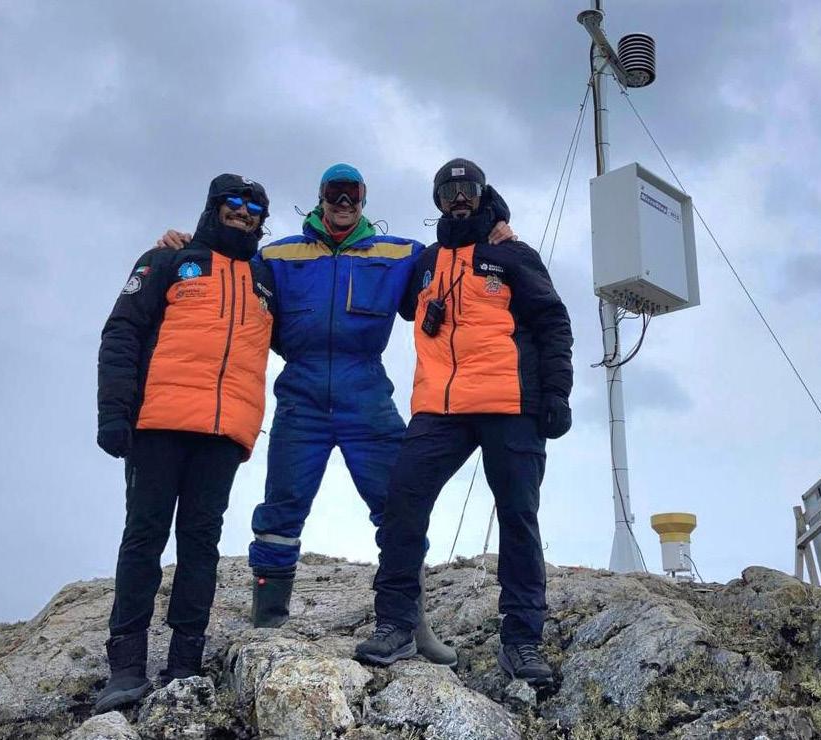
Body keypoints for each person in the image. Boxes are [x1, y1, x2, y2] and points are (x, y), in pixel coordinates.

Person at [157, 164, 512, 667]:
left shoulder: (402, 254)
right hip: (300, 397)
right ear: (320, 197)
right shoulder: (276, 256)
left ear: (364, 199)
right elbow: (226, 262)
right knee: (281, 509)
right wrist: (184, 244)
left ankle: (410, 624)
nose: (343, 201)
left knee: (399, 510)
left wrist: (498, 230)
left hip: (366, 394)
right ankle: (269, 620)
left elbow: (457, 256)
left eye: (353, 194)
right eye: (334, 193)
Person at [354, 159, 573, 688]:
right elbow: (380, 274)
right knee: (402, 502)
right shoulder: (425, 262)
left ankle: (521, 641)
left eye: (468, 189)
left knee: (518, 518)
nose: (458, 197)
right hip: (440, 409)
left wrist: (557, 395)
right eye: (448, 189)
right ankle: (396, 624)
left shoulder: (512, 254)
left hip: (510, 404)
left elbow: (552, 322)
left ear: (482, 195)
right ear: (437, 199)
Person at [94, 174, 275, 713]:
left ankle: (184, 661)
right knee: (144, 537)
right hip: (159, 423)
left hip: (225, 432)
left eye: (254, 208)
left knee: (201, 544)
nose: (244, 213)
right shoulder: (168, 260)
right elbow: (122, 331)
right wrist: (113, 412)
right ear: (213, 208)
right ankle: (125, 666)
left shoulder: (266, 280)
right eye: (234, 204)